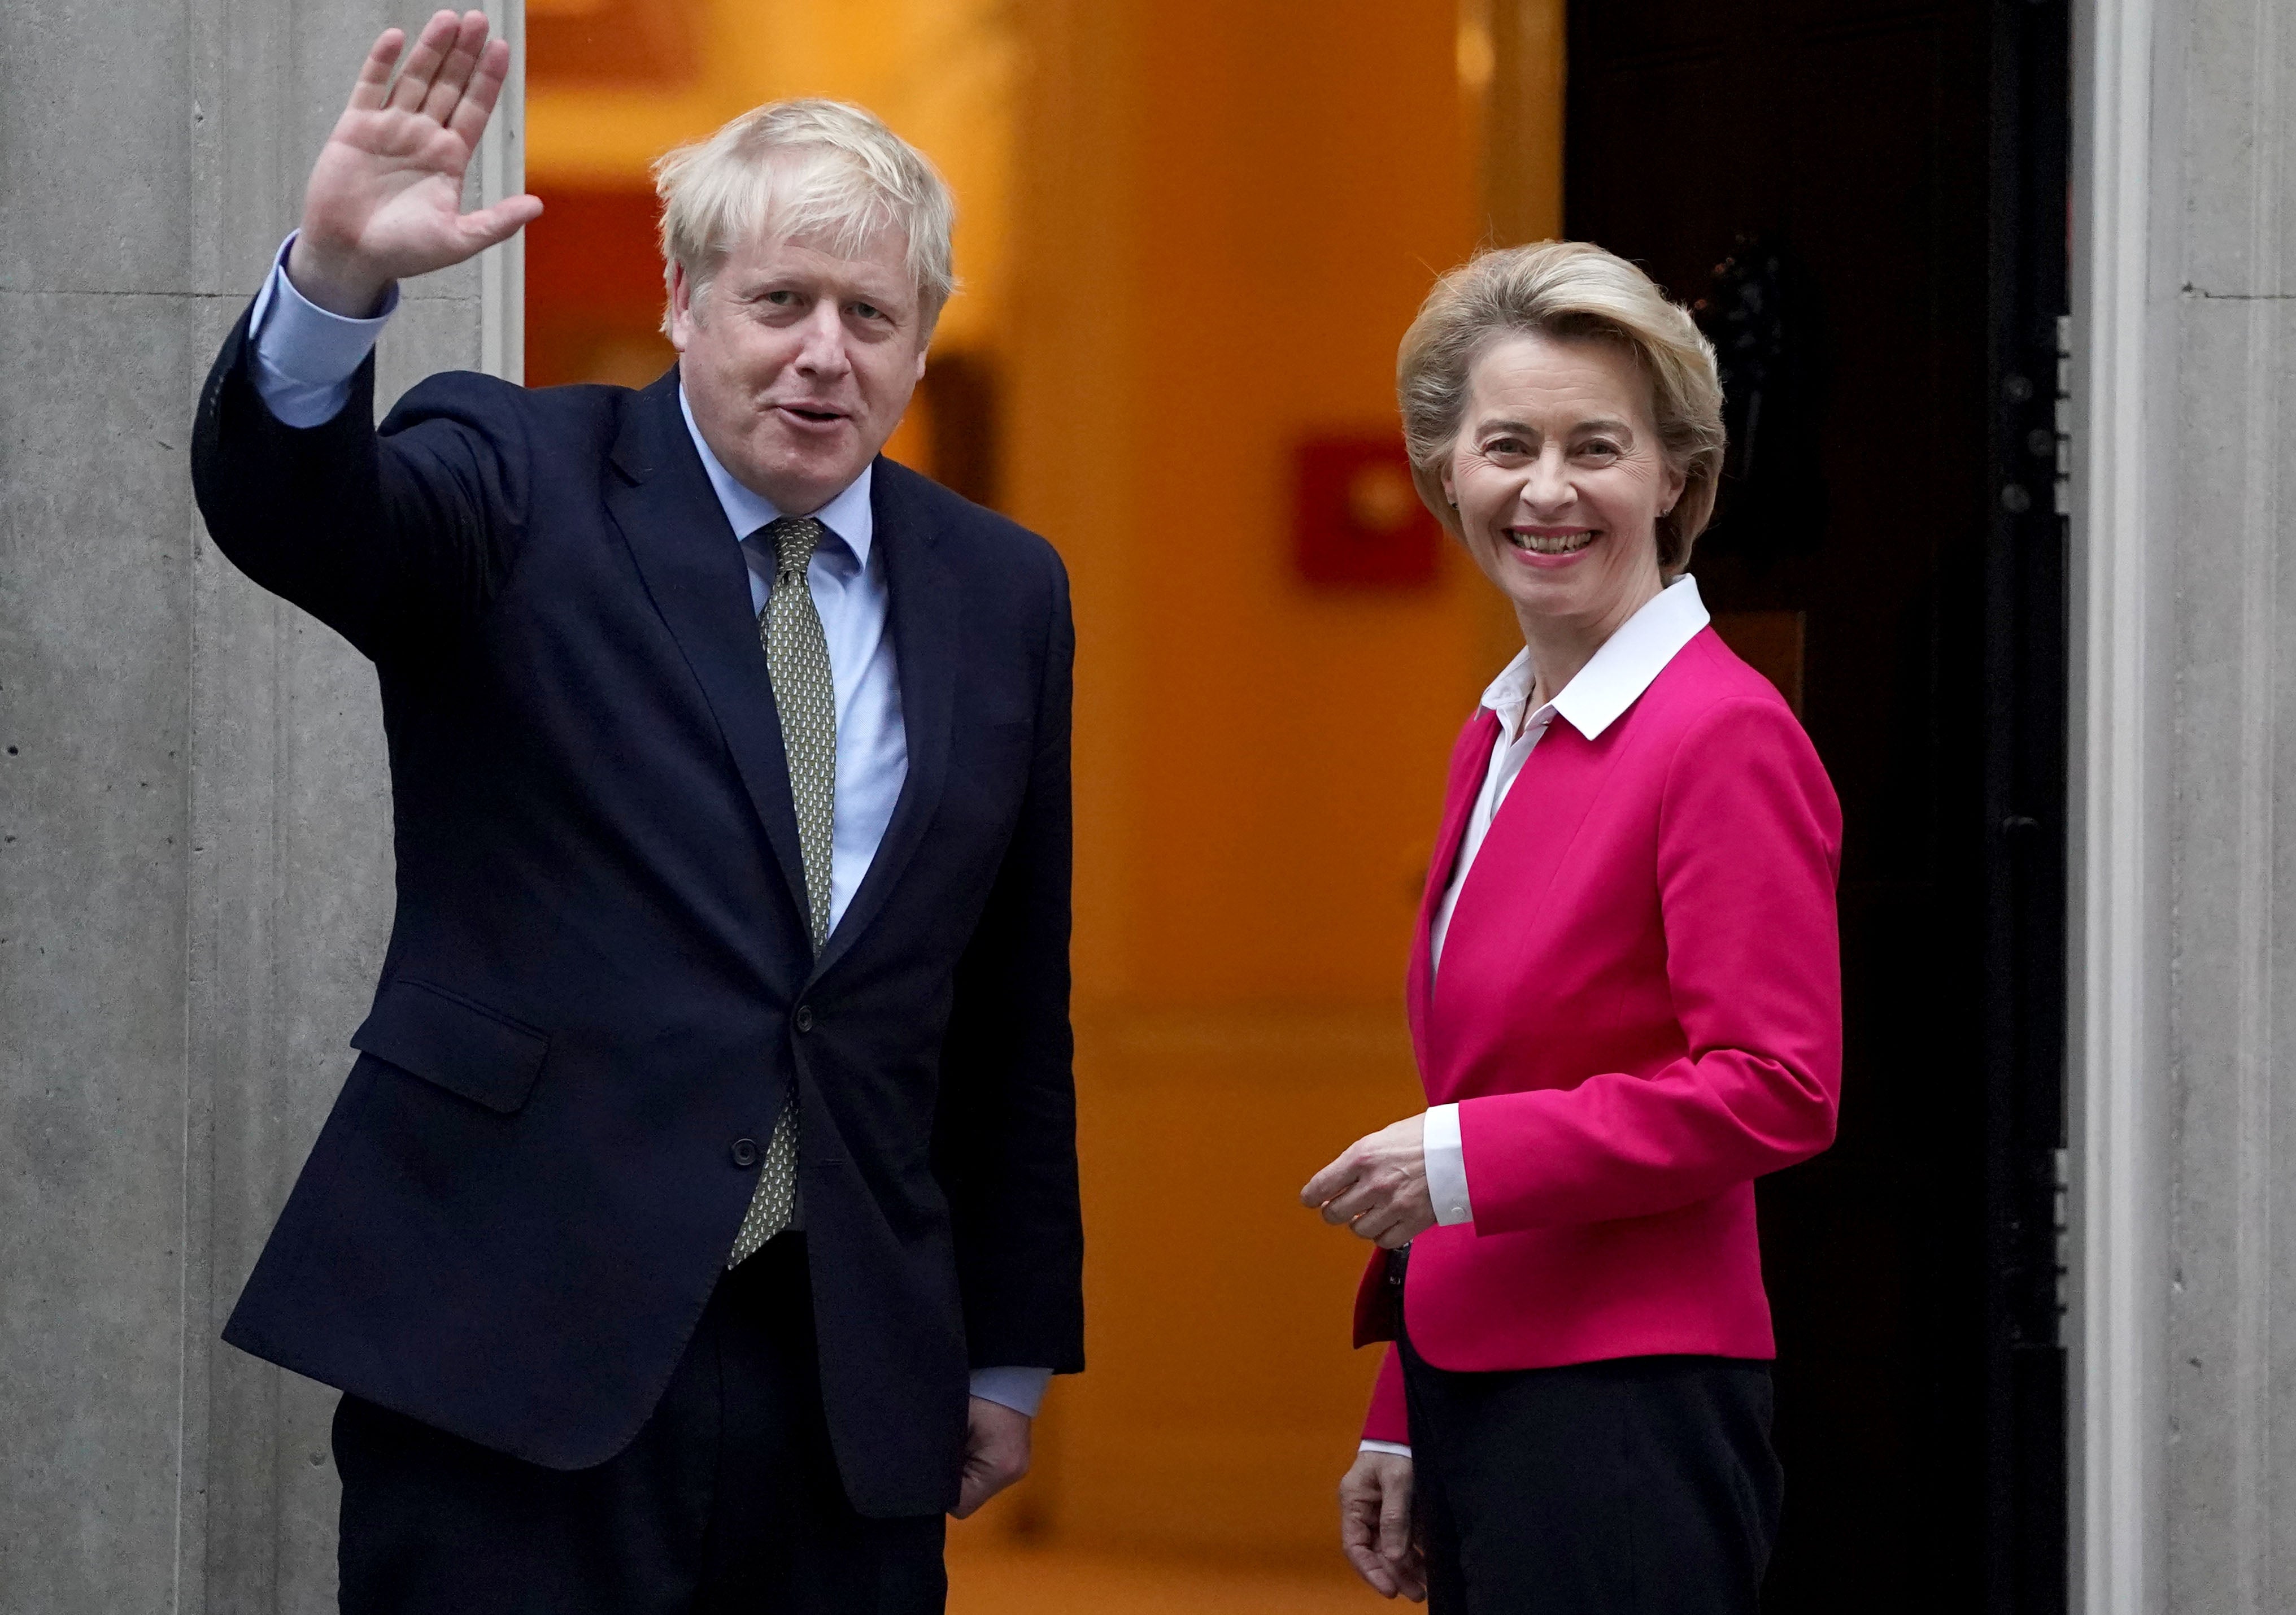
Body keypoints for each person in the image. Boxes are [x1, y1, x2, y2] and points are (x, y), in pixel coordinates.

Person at [188, 13, 1082, 1612]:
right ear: (682, 304)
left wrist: (1007, 1346)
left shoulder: (1003, 589)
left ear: (921, 341)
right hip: (514, 1336)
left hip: (844, 1372)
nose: (825, 351)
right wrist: (332, 282)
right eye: (780, 301)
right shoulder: (519, 471)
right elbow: (299, 518)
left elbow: (1009, 997)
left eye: (871, 312)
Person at [1300, 240, 1842, 1611]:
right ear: (1447, 476)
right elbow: (1481, 1092)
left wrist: (1460, 1158)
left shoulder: (1720, 733)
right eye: (1504, 446)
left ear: (1673, 474)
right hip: (1482, 1383)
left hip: (1627, 1409)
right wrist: (1402, 1394)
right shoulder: (1499, 733)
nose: (1545, 490)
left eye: (1592, 445)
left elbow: (1777, 1089)